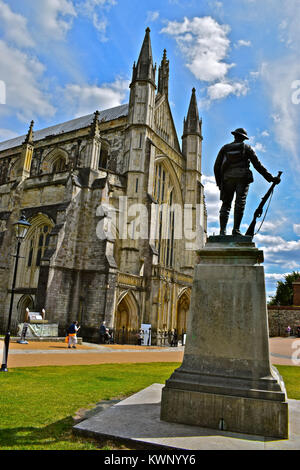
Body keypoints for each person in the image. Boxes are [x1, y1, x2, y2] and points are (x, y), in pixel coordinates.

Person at [214, 128, 281, 236]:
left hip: (227, 179)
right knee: (240, 204)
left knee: (226, 205)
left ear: (235, 136)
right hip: (242, 178)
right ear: (243, 138)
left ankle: (222, 231)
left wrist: (219, 183)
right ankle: (236, 230)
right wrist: (271, 178)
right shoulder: (247, 148)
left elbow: (216, 167)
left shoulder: (225, 148)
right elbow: (258, 166)